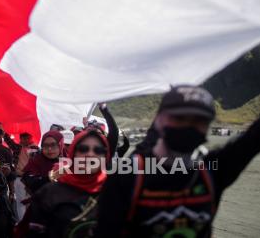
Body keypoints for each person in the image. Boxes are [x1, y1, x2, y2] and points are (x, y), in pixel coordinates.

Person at [94, 85, 260, 237]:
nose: (188, 126)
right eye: (179, 118)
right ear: (159, 119)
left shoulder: (213, 170)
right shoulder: (127, 176)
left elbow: (252, 139)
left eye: (198, 121)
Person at [27, 130, 111, 238]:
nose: (90, 154)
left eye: (98, 150)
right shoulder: (49, 193)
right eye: (83, 149)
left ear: (106, 156)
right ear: (73, 154)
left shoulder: (115, 191)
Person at [22, 131, 64, 195]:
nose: (49, 149)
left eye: (53, 145)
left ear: (60, 145)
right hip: (41, 202)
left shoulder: (69, 160)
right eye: (46, 145)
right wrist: (50, 177)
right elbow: (30, 183)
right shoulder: (35, 161)